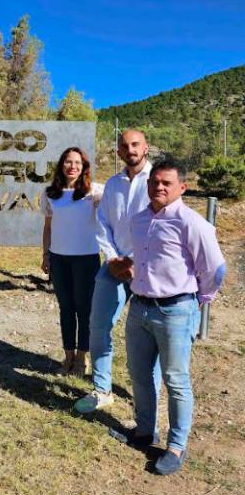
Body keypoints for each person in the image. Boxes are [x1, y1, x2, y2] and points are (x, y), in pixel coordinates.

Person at [118, 158, 225, 475]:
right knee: (139, 375)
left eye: (167, 182)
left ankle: (176, 447)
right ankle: (144, 432)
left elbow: (215, 269)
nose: (159, 187)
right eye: (155, 182)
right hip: (139, 308)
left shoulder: (192, 223)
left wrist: (200, 299)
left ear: (182, 187)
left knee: (176, 381)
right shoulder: (138, 219)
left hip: (175, 311)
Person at [74, 129, 161, 414]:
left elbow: (161, 225)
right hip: (113, 267)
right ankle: (102, 389)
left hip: (150, 269)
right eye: (125, 146)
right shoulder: (113, 184)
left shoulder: (158, 182)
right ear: (119, 152)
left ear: (145, 147)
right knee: (98, 326)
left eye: (136, 144)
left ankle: (149, 396)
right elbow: (102, 224)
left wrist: (134, 260)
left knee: (151, 337)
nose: (131, 149)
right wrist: (113, 259)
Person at [40, 147, 103, 376]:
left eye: (77, 163)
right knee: (65, 308)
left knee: (84, 310)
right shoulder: (50, 193)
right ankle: (67, 357)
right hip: (59, 259)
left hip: (86, 259)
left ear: (84, 167)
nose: (72, 166)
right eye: (68, 162)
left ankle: (81, 359)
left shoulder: (94, 192)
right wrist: (46, 254)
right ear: (61, 165)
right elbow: (47, 228)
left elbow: (118, 203)